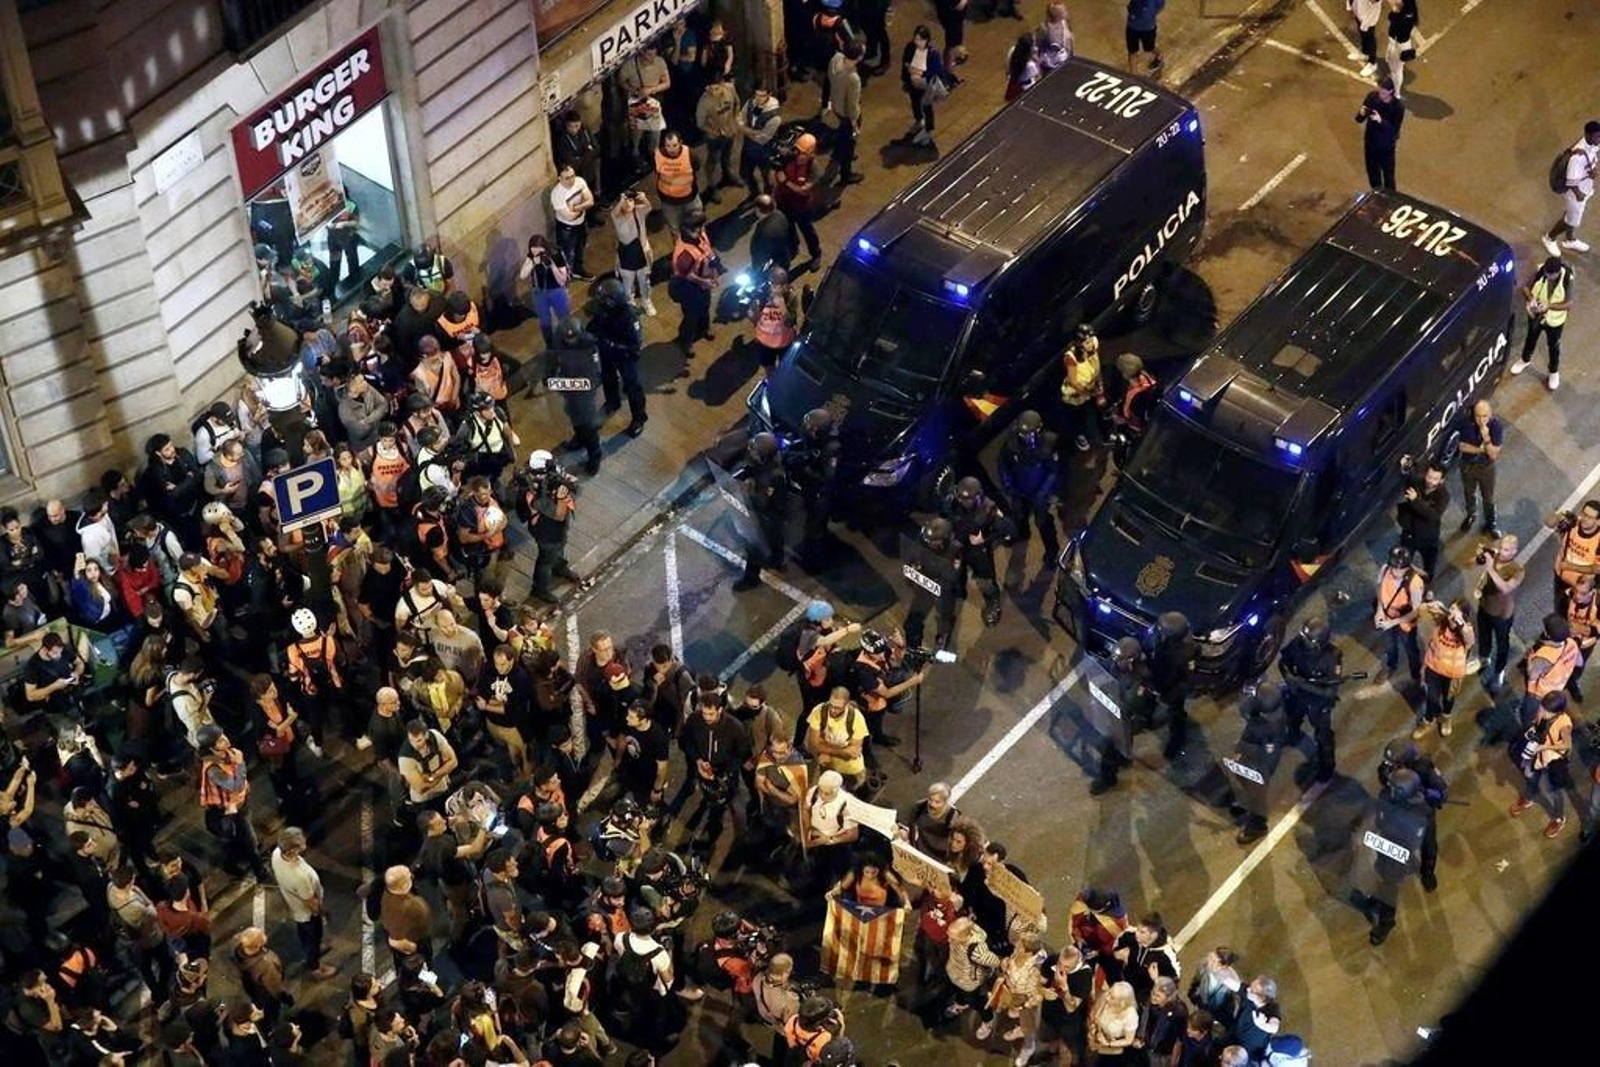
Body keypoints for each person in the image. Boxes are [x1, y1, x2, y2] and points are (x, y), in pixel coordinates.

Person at [196, 725, 270, 880]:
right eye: (220, 740)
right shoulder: (213, 769)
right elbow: (235, 785)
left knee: (238, 841)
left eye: (223, 736)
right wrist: (241, 764)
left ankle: (234, 860)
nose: (226, 740)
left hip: (240, 804)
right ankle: (260, 873)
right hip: (228, 811)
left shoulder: (227, 754)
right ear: (212, 748)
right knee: (248, 841)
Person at [1279, 616, 1346, 783]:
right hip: (1297, 695)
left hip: (1318, 703)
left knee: (1323, 737)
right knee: (1292, 718)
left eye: (1308, 640)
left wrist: (1302, 684)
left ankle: (1327, 767)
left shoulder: (1332, 657)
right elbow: (1283, 662)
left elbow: (1330, 693)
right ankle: (1292, 734)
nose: (1304, 641)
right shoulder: (1298, 643)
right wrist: (1288, 677)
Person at [270, 827, 337, 980]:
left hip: (295, 908)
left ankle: (311, 950)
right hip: (307, 913)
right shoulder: (299, 876)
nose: (304, 844)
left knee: (304, 933)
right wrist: (321, 913)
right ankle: (315, 967)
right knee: (313, 936)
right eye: (300, 844)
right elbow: (310, 901)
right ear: (291, 850)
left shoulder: (276, 854)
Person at [998, 409, 1062, 566]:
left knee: (1044, 523)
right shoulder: (1012, 443)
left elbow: (1054, 471)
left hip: (1040, 491)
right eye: (1023, 434)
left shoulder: (1049, 441)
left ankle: (1052, 552)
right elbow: (1003, 465)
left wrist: (1044, 493)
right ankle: (1022, 534)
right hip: (1019, 490)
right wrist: (1009, 486)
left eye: (1031, 434)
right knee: (1019, 515)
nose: (1026, 437)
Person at [1226, 682, 1287, 844]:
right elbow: (1245, 709)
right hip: (1251, 746)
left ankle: (1258, 824)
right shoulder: (1264, 709)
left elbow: (1268, 756)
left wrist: (1242, 749)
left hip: (1260, 762)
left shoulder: (1271, 726)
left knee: (1257, 792)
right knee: (1242, 778)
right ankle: (1246, 802)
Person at [589, 277, 648, 435]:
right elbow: (594, 324)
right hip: (606, 352)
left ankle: (639, 418)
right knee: (608, 378)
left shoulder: (629, 317)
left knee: (632, 387)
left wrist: (610, 342)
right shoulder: (603, 310)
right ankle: (612, 402)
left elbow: (635, 345)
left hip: (625, 357)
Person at [945, 476, 1006, 627]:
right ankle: (959, 591)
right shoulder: (952, 503)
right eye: (961, 498)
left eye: (968, 499)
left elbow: (1005, 529)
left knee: (985, 580)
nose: (963, 502)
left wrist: (984, 539)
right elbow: (945, 518)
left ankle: (993, 603)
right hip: (958, 545)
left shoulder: (988, 508)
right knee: (957, 573)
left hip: (978, 550)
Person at [546, 318, 605, 476]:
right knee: (574, 417)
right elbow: (555, 359)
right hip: (570, 391)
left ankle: (595, 458)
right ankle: (579, 439)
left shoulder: (589, 346)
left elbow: (594, 376)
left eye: (572, 338)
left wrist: (565, 384)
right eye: (567, 338)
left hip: (584, 394)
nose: (570, 341)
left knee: (588, 425)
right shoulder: (560, 342)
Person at [734, 432, 789, 590]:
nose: (751, 452)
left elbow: (763, 502)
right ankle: (777, 562)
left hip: (770, 515)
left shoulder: (773, 476)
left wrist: (749, 489)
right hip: (773, 514)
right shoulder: (766, 463)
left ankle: (751, 579)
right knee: (776, 541)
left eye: (754, 451)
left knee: (755, 548)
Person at [1510, 255, 1573, 390]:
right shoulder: (1541, 271)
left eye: (1551, 275)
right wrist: (1530, 298)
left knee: (1553, 346)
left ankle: (1553, 372)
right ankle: (1525, 360)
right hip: (1536, 315)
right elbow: (1525, 287)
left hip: (1555, 320)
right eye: (1547, 274)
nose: (1548, 277)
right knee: (1530, 338)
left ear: (1558, 272)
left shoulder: (1567, 278)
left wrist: (1549, 306)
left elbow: (1568, 304)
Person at [1541, 119, 1600, 256]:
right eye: (1597, 136)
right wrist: (1579, 195)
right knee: (1570, 219)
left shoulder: (1593, 144)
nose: (1599, 139)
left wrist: (1592, 170)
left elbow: (1593, 155)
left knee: (1571, 216)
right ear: (1588, 135)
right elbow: (1571, 182)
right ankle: (1549, 238)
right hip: (1576, 194)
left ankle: (1570, 239)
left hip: (1585, 187)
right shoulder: (1577, 158)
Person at [1415, 599, 1473, 739]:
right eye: (1452, 608)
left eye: (1456, 611)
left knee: (1448, 698)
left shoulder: (1467, 629)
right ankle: (1428, 721)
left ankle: (1446, 718)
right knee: (1431, 697)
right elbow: (1421, 610)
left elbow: (1470, 640)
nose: (1452, 612)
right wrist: (1431, 605)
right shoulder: (1442, 620)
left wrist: (1461, 624)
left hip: (1453, 673)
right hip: (1434, 667)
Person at [669, 211, 720, 355]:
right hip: (689, 288)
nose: (702, 229)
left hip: (704, 281)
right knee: (691, 316)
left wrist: (714, 271)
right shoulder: (684, 254)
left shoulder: (700, 234)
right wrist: (704, 282)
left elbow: (708, 251)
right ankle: (686, 342)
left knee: (705, 307)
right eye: (700, 226)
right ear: (690, 229)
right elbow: (688, 276)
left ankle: (704, 328)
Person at [1375, 545, 1426, 684]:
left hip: (1405, 623)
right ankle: (1391, 666)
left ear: (1406, 568)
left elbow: (1416, 611)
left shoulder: (1415, 583)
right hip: (1386, 616)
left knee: (1411, 649)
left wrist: (1392, 622)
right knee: (1389, 645)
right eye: (1393, 567)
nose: (1394, 571)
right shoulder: (1385, 569)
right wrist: (1379, 609)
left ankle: (1416, 675)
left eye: (1398, 569)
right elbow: (1380, 587)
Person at [774, 132, 823, 268]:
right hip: (783, 201)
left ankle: (816, 254)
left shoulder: (814, 169)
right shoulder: (789, 157)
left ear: (811, 154)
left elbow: (804, 191)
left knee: (807, 230)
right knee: (788, 227)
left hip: (801, 205)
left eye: (803, 154)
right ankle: (793, 246)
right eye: (798, 151)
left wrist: (786, 182)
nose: (799, 156)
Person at [1547, 499, 1600, 615]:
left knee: (1576, 614)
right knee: (1559, 607)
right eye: (1584, 514)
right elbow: (1549, 523)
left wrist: (1571, 566)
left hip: (1580, 587)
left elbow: (1597, 568)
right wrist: (1559, 516)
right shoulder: (1572, 524)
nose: (1585, 519)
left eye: (1590, 517)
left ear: (1598, 521)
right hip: (1561, 578)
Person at [1396, 460, 1448, 577]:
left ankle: (1424, 586)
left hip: (1428, 536)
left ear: (1441, 480)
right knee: (1402, 564)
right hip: (1410, 532)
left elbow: (1433, 515)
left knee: (1429, 571)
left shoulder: (1443, 496)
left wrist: (1416, 501)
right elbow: (1409, 477)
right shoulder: (1416, 481)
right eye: (1429, 476)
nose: (1430, 481)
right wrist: (1406, 464)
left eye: (1435, 479)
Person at [695, 70, 741, 202]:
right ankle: (711, 187)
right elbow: (700, 124)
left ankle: (727, 175)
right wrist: (715, 132)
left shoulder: (730, 89)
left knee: (727, 155)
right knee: (712, 161)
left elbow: (737, 103)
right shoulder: (704, 102)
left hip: (730, 131)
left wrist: (735, 120)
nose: (714, 91)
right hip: (714, 137)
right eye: (711, 88)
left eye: (717, 87)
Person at [520, 235, 572, 349]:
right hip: (539, 292)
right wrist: (533, 262)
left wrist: (552, 266)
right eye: (533, 253)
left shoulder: (555, 253)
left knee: (564, 317)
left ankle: (569, 341)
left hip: (555, 290)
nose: (537, 255)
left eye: (540, 253)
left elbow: (562, 280)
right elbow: (522, 275)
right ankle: (550, 345)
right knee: (545, 322)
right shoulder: (532, 256)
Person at [611, 189, 656, 316]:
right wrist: (621, 200)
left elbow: (649, 207)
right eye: (625, 201)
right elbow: (614, 213)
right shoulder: (617, 216)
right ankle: (630, 303)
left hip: (642, 252)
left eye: (630, 200)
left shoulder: (639, 211)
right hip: (626, 254)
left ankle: (646, 301)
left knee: (645, 281)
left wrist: (644, 198)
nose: (628, 204)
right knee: (628, 283)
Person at [1355, 75, 1404, 189]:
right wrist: (1361, 113)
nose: (1380, 94)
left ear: (1391, 91)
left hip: (1386, 147)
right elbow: (1358, 119)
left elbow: (1394, 131)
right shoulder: (1372, 97)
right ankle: (1376, 194)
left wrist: (1380, 121)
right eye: (1379, 90)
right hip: (1370, 142)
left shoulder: (1398, 107)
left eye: (1383, 92)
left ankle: (1391, 199)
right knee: (1372, 173)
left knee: (1388, 176)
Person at [750, 266, 800, 375]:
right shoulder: (763, 295)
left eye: (776, 284)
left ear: (785, 286)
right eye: (771, 283)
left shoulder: (791, 296)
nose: (772, 287)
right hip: (766, 342)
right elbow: (755, 320)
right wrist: (754, 312)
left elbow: (790, 323)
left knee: (785, 368)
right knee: (769, 369)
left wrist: (781, 305)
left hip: (784, 341)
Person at [902, 26, 946, 149]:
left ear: (927, 40)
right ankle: (918, 120)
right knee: (915, 102)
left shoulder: (933, 52)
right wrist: (907, 77)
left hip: (926, 84)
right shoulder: (910, 47)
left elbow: (935, 70)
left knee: (926, 106)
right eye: (916, 39)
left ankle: (928, 131)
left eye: (921, 39)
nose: (918, 42)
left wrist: (919, 73)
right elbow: (905, 62)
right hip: (913, 83)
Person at [828, 44, 865, 186]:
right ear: (859, 57)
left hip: (836, 107)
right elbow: (852, 105)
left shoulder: (835, 59)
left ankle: (837, 154)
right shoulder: (852, 78)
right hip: (846, 115)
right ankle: (846, 174)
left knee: (840, 138)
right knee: (848, 144)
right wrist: (855, 124)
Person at [736, 86, 782, 197]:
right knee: (746, 173)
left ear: (769, 94)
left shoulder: (774, 116)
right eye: (756, 95)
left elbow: (762, 139)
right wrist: (751, 131)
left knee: (767, 176)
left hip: (764, 152)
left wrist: (745, 130)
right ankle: (754, 194)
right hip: (748, 148)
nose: (758, 98)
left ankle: (768, 196)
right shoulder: (751, 103)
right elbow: (740, 118)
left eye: (762, 95)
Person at [653, 130, 701, 237]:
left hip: (690, 198)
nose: (671, 149)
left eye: (674, 145)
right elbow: (657, 173)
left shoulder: (690, 154)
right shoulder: (657, 155)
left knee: (697, 223)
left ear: (680, 143)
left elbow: (696, 167)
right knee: (675, 228)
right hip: (669, 202)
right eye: (668, 146)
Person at [551, 164, 595, 279]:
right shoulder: (557, 194)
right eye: (567, 178)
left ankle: (577, 270)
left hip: (581, 222)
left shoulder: (579, 182)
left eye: (572, 176)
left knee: (580, 247)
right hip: (566, 227)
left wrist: (575, 208)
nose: (571, 180)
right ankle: (565, 276)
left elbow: (590, 201)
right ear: (559, 178)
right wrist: (582, 207)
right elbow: (569, 217)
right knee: (567, 252)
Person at [1229, 976, 1282, 1059]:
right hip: (1233, 1036)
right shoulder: (1249, 994)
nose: (1248, 989)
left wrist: (1262, 1025)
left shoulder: (1272, 1008)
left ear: (1261, 997)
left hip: (1248, 1051)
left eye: (1252, 990)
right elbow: (1231, 982)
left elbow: (1274, 1027)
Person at [1089, 980, 1140, 1062]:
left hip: (1115, 1054)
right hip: (1098, 1047)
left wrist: (1108, 1044)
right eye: (1109, 993)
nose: (1107, 998)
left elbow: (1129, 1040)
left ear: (1122, 1003)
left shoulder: (1130, 1015)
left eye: (1112, 998)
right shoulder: (1106, 999)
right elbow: (1095, 1015)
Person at [1385, 0, 1420, 96]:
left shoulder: (1404, 17)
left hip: (1399, 46)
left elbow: (1392, 19)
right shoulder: (1407, 11)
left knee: (1396, 70)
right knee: (1392, 64)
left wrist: (1395, 10)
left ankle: (1397, 92)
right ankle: (1394, 82)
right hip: (1397, 43)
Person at [1126, 0, 1165, 74]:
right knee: (1132, 51)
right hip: (1132, 27)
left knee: (1149, 48)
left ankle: (1159, 55)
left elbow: (1159, 8)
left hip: (1148, 29)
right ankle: (1134, 74)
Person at [1035, 3, 1074, 72]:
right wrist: (1038, 65)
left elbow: (1070, 35)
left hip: (1065, 58)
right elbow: (1036, 46)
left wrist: (1071, 52)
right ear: (1056, 14)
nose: (1066, 12)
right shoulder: (1044, 28)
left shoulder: (1065, 21)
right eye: (1062, 11)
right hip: (1050, 64)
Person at [1348, 0, 1383, 76]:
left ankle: (1372, 63)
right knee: (1363, 34)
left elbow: (1374, 2)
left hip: (1370, 17)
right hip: (1359, 10)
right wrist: (1350, 8)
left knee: (1369, 38)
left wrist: (1366, 24)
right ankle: (1365, 54)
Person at [1004, 35, 1040, 101]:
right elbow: (1038, 78)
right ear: (1029, 49)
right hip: (1026, 90)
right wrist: (1036, 59)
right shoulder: (1030, 66)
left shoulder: (1012, 51)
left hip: (1013, 86)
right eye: (1034, 45)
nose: (1036, 47)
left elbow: (1007, 70)